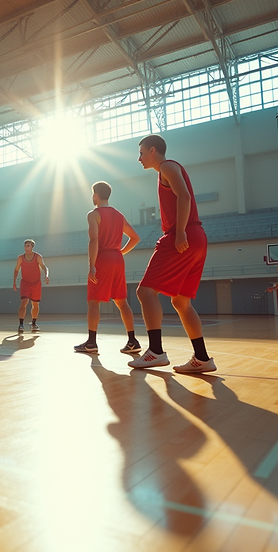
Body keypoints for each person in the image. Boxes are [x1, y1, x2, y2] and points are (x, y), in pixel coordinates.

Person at [127, 134, 215, 373]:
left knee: (145, 292)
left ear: (153, 150)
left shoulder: (167, 166)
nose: (139, 158)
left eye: (142, 153)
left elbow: (184, 196)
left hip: (182, 235)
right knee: (181, 301)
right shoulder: (167, 169)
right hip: (197, 238)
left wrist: (179, 234)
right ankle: (202, 357)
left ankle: (155, 351)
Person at [74, 181, 142, 355]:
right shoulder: (119, 215)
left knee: (93, 301)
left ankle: (91, 342)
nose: (92, 196)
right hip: (117, 259)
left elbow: (94, 241)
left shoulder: (94, 214)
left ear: (96, 194)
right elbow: (135, 238)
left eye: (92, 193)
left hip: (103, 257)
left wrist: (92, 266)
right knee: (121, 301)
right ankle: (132, 340)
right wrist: (120, 252)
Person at [12, 239, 50, 334]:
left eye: (28, 245)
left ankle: (34, 323)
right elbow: (16, 270)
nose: (26, 247)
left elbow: (44, 267)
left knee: (35, 305)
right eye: (25, 245)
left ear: (32, 247)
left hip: (36, 283)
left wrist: (47, 275)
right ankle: (21, 324)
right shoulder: (21, 258)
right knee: (24, 302)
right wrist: (14, 282)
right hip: (25, 283)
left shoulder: (38, 257)